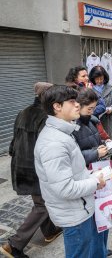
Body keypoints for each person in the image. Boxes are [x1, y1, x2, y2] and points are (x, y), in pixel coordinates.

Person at [34, 85, 107, 258]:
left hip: (80, 208)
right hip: (74, 214)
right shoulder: (54, 143)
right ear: (57, 107)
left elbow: (73, 172)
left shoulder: (64, 132)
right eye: (72, 101)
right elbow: (65, 188)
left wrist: (91, 176)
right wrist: (95, 182)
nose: (77, 105)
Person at [0, 82, 62, 258]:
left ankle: (50, 231)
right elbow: (47, 147)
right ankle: (14, 245)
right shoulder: (46, 116)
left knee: (42, 202)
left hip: (21, 165)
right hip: (35, 168)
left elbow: (13, 142)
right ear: (47, 96)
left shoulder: (23, 111)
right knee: (43, 205)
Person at [71, 88, 112, 257]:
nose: (91, 111)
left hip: (99, 170)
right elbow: (74, 156)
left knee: (104, 215)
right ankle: (98, 252)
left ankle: (101, 249)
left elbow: (96, 139)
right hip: (88, 176)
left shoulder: (91, 120)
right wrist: (96, 153)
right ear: (78, 106)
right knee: (96, 218)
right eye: (89, 108)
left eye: (93, 108)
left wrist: (105, 145)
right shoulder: (73, 127)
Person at [89, 65, 112, 173]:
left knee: (111, 145)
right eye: (96, 79)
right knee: (99, 146)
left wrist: (111, 108)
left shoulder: (111, 87)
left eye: (101, 78)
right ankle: (102, 170)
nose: (99, 81)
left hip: (108, 120)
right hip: (95, 122)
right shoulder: (89, 89)